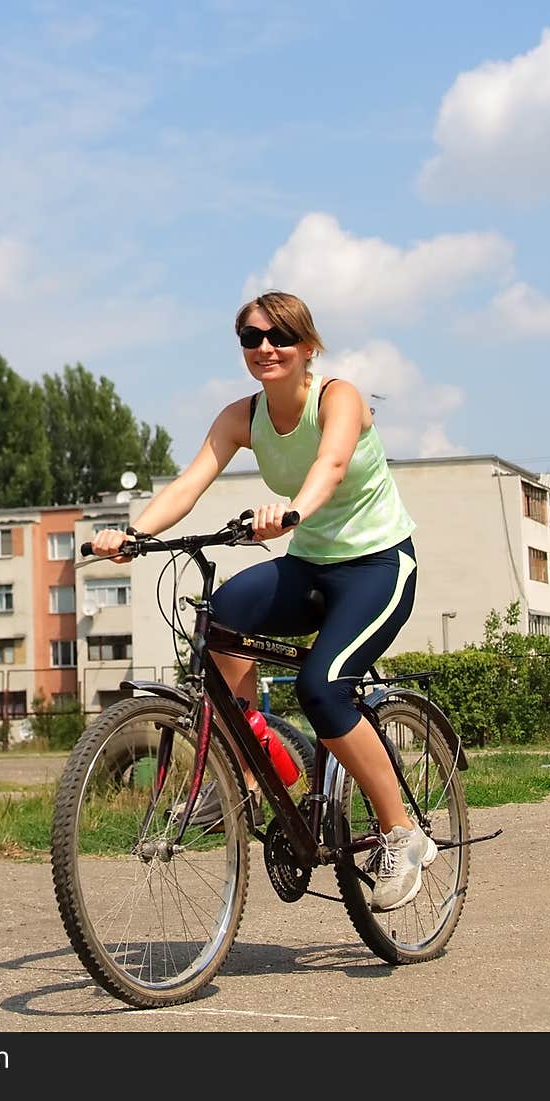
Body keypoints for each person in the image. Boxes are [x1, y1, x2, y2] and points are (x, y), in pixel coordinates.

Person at [91, 289, 436, 913]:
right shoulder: (240, 417)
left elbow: (330, 465)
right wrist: (136, 534)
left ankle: (401, 834)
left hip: (379, 567)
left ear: (307, 346)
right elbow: (191, 481)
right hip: (311, 565)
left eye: (279, 336)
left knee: (323, 687)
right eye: (252, 338)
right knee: (220, 616)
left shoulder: (339, 397)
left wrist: (294, 511)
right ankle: (247, 771)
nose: (265, 348)